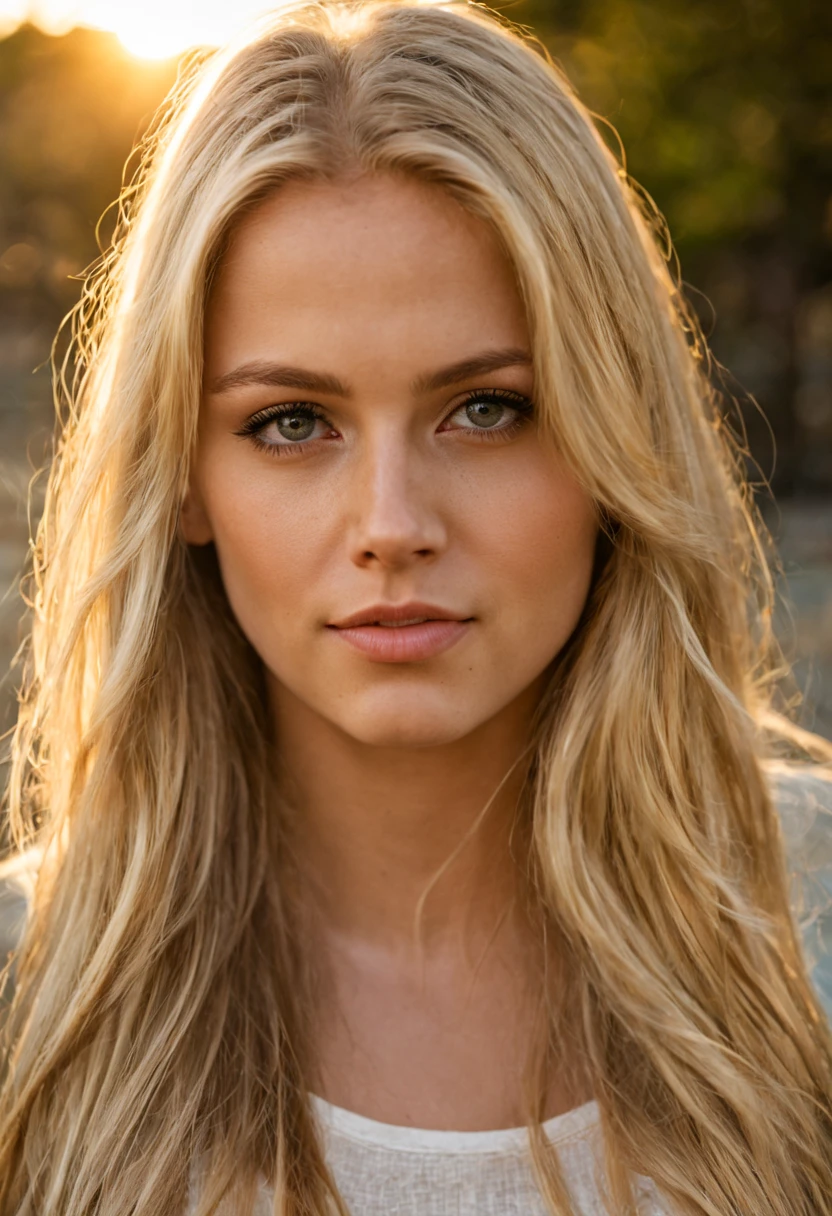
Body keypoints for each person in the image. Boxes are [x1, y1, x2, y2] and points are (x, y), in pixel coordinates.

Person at [0, 1, 831, 1213]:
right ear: (183, 480)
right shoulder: (31, 996)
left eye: (485, 408)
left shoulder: (810, 927)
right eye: (291, 423)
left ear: (612, 437)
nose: (392, 522)